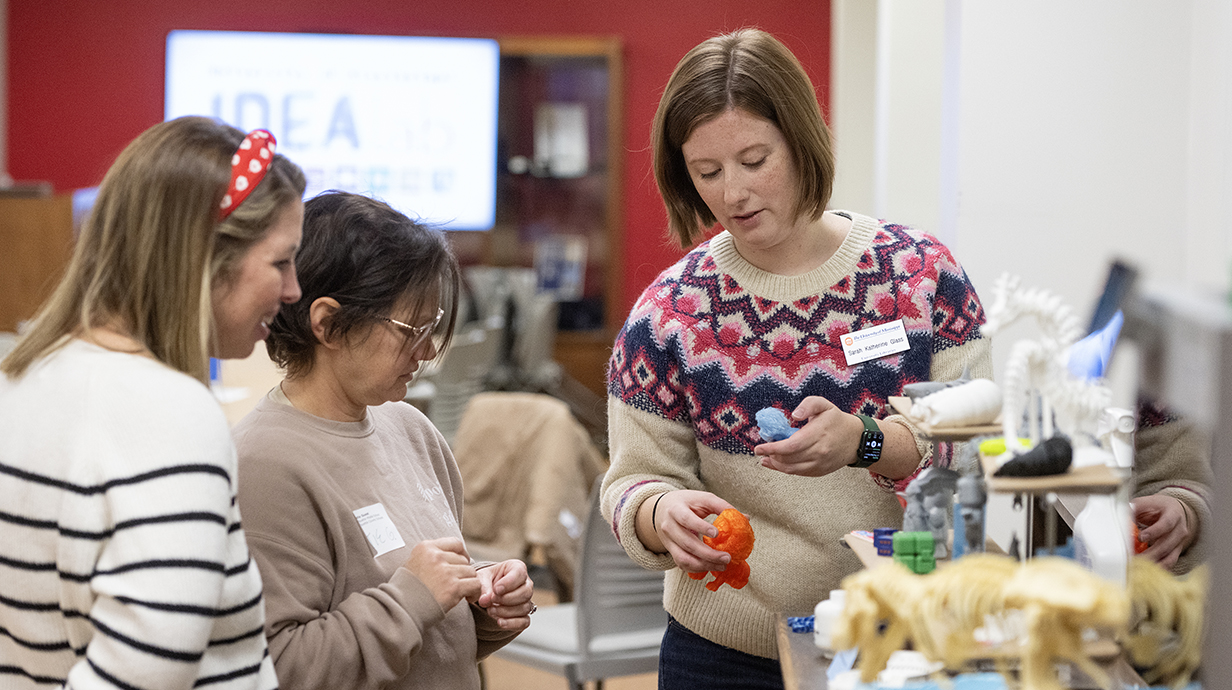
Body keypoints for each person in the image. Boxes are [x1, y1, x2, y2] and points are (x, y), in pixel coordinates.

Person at [601, 28, 992, 687]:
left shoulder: (919, 276)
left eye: (755, 160)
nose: (733, 193)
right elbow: (630, 481)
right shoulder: (670, 312)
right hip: (722, 656)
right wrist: (657, 512)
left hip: (902, 639)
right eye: (708, 172)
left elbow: (976, 445)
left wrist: (867, 443)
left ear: (801, 139)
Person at [0, 116, 305, 689]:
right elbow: (141, 675)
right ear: (202, 257)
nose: (293, 290)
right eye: (280, 261)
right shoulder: (170, 414)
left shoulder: (21, 378)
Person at [231, 191, 534, 690]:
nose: (429, 349)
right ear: (327, 324)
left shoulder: (411, 429)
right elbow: (280, 668)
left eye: (432, 326)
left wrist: (482, 601)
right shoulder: (262, 466)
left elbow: (425, 638)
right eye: (410, 329)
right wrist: (411, 599)